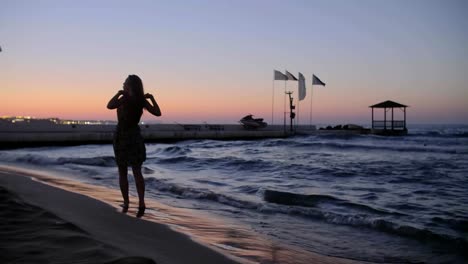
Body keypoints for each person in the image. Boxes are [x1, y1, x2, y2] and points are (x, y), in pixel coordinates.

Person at [107, 75, 161, 216]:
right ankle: (141, 203)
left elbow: (110, 105)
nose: (122, 84)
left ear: (129, 85)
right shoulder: (141, 100)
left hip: (122, 135)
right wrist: (151, 99)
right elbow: (157, 112)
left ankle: (126, 202)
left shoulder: (124, 98)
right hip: (134, 136)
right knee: (137, 171)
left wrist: (118, 94)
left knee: (123, 170)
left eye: (124, 83)